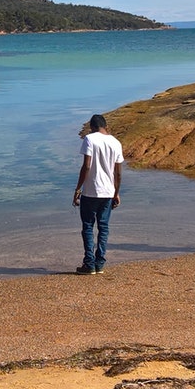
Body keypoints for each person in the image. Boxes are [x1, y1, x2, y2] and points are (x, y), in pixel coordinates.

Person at [72, 114, 123, 274]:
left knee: (87, 226)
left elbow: (86, 166)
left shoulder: (90, 139)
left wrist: (78, 189)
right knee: (103, 227)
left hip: (91, 191)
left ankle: (89, 263)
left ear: (92, 127)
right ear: (106, 126)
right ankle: (100, 263)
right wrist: (116, 192)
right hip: (108, 192)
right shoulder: (116, 142)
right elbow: (118, 173)